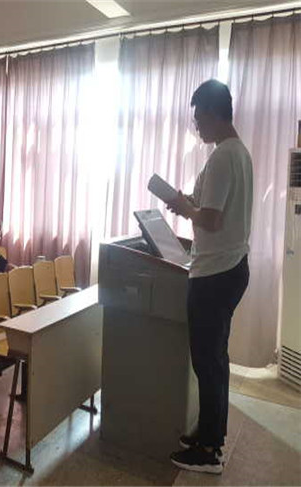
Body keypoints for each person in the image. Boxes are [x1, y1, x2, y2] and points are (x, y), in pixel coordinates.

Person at [166, 80, 252, 474]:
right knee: (215, 358)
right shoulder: (238, 153)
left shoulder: (222, 157)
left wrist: (185, 207)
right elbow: (216, 209)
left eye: (199, 119)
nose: (197, 126)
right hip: (231, 267)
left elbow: (212, 220)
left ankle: (210, 451)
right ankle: (209, 430)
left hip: (215, 272)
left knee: (207, 360)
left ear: (215, 114)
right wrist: (189, 204)